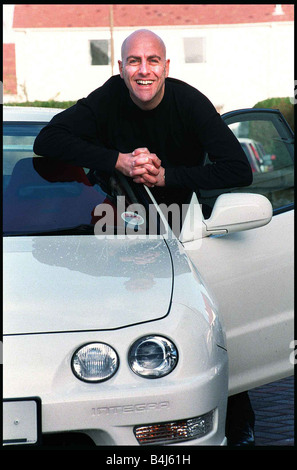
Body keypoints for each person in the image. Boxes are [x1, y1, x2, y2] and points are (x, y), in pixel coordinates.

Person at [34, 29, 254, 445]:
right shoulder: (108, 97)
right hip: (107, 232)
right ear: (121, 69)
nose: (143, 70)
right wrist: (118, 161)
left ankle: (236, 422)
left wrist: (167, 174)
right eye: (134, 61)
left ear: (166, 68)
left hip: (178, 233)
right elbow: (48, 139)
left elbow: (239, 170)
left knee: (207, 336)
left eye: (152, 61)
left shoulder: (190, 103)